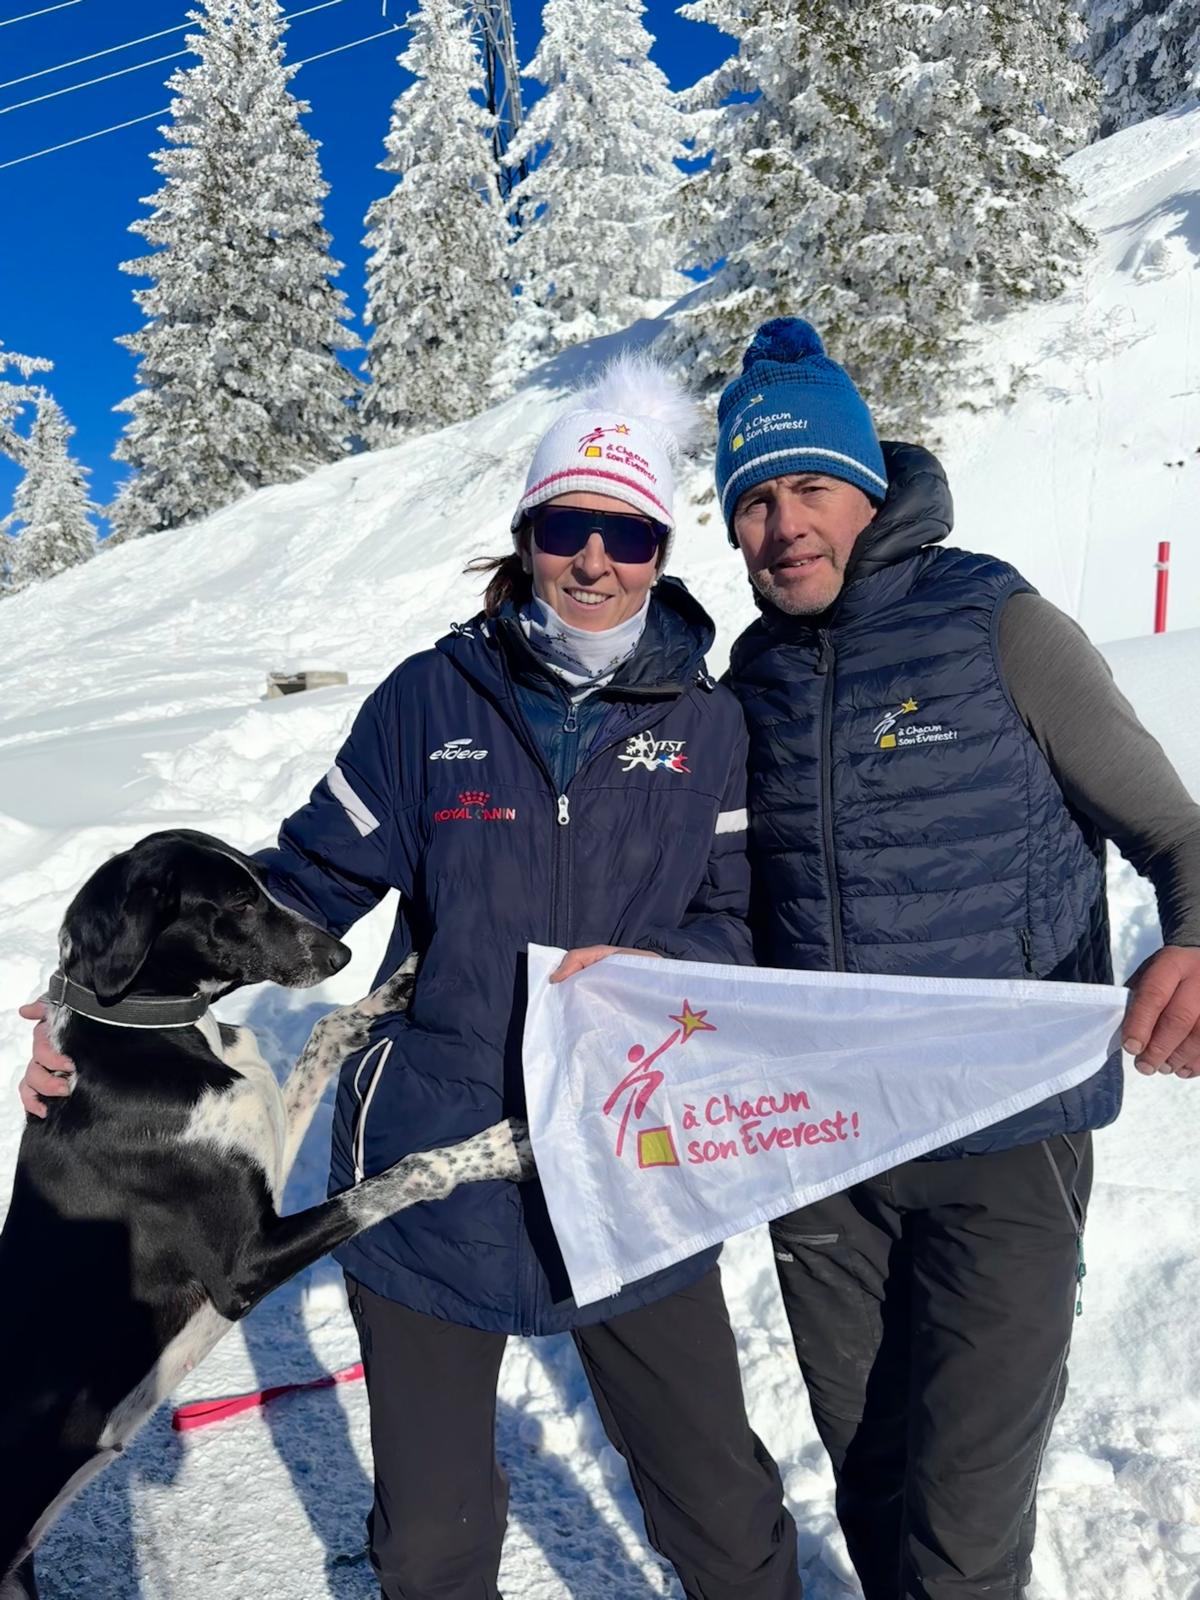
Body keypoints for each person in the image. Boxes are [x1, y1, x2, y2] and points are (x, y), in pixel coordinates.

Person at [15, 355, 802, 1600]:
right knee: (431, 1548)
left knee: (723, 1515)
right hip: (426, 1170)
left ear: (662, 547)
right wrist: (101, 1005)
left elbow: (739, 919)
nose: (594, 560)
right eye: (567, 526)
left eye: (628, 534)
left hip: (631, 1162)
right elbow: (300, 889)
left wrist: (657, 965)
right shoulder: (430, 699)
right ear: (529, 535)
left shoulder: (710, 726)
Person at [710, 316, 1200, 1600]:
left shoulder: (1001, 626)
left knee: (966, 1518)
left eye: (810, 484)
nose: (784, 524)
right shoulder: (746, 678)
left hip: (1008, 1141)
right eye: (753, 500)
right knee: (869, 1470)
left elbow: (1176, 833)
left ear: (870, 485)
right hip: (823, 1151)